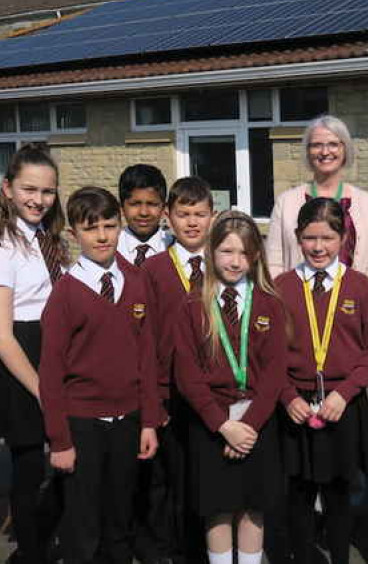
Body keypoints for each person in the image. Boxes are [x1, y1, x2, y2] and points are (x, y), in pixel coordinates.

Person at [39, 186, 161, 564]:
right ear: (74, 233)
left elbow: (148, 356)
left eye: (110, 225)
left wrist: (150, 422)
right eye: (92, 228)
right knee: (84, 521)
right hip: (82, 424)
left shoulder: (136, 281)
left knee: (120, 515)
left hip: (129, 420)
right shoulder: (65, 294)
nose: (103, 236)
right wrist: (59, 441)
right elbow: (51, 373)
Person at [275, 198, 368, 564]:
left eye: (327, 237)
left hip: (342, 404)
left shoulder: (360, 287)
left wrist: (345, 393)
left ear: (343, 238)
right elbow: (268, 354)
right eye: (309, 238)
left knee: (340, 493)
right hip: (296, 406)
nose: (318, 247)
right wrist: (287, 396)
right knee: (299, 494)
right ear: (297, 237)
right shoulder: (281, 287)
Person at [173, 211, 287, 564]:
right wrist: (223, 426)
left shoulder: (269, 304)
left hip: (257, 422)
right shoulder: (192, 305)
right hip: (212, 424)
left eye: (243, 253)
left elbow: (274, 373)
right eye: (226, 251)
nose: (235, 261)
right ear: (211, 253)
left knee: (254, 508)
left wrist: (248, 426)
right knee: (217, 509)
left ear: (255, 257)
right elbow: (187, 373)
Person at [0, 145, 67, 564]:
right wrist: (42, 389)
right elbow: (0, 335)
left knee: (66, 460)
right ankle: (31, 554)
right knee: (30, 469)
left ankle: (50, 536)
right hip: (22, 361)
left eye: (48, 191)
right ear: (7, 188)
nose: (39, 199)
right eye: (29, 189)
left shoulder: (48, 238)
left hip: (53, 350)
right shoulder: (2, 247)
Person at [139, 176, 216, 564]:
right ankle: (164, 550)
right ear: (167, 217)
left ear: (212, 217)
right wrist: (152, 403)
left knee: (203, 478)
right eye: (183, 214)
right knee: (166, 479)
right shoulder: (152, 270)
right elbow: (146, 340)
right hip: (169, 392)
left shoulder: (225, 265)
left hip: (214, 392)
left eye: (199, 214)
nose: (191, 223)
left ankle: (204, 549)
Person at [266, 115, 368, 287]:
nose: (324, 152)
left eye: (333, 144)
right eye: (316, 145)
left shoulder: (366, 203)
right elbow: (274, 263)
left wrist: (362, 299)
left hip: (353, 306)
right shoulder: (286, 202)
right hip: (298, 306)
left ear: (345, 149)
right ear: (308, 151)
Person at [118, 163, 171, 266]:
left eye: (152, 204)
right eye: (135, 204)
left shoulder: (175, 248)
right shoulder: (110, 249)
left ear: (164, 208)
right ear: (121, 208)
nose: (144, 212)